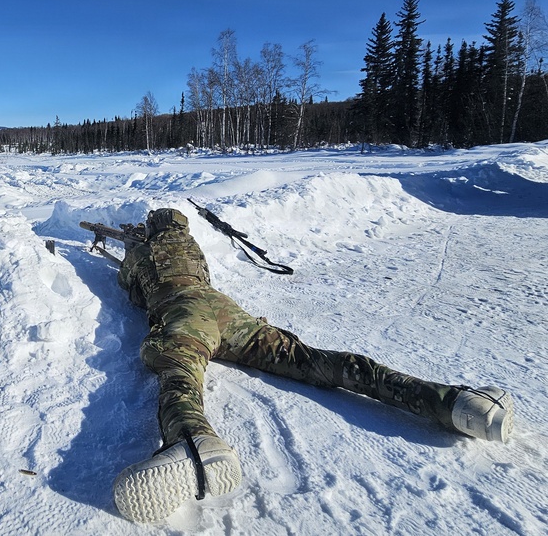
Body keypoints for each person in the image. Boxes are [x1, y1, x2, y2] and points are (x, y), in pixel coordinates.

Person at [110, 208, 515, 523]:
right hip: (228, 313)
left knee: (180, 373)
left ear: (152, 230)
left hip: (184, 312)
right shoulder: (191, 246)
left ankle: (192, 441)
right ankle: (455, 403)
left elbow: (130, 289)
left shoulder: (145, 250)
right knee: (316, 361)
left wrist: (133, 256)